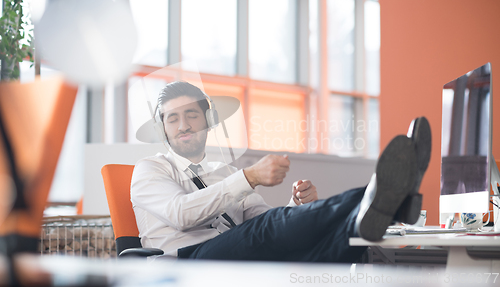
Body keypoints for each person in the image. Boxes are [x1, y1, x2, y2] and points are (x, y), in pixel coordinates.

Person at [131, 81, 431, 262]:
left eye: (191, 115)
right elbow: (182, 214)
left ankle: (383, 207)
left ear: (207, 120)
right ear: (163, 129)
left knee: (330, 252)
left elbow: (265, 222)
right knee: (270, 228)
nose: (183, 125)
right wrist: (248, 178)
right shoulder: (150, 169)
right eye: (173, 119)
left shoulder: (223, 172)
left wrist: (295, 207)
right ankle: (389, 195)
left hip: (235, 254)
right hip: (183, 263)